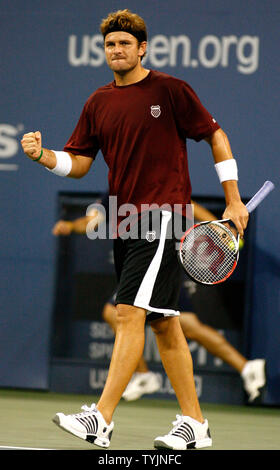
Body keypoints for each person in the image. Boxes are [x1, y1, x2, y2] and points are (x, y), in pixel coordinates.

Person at [21, 9, 249, 450]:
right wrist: (44, 156)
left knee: (129, 314)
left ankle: (100, 419)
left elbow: (215, 136)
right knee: (164, 324)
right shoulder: (98, 102)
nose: (116, 50)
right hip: (126, 221)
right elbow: (80, 162)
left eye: (125, 43)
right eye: (110, 44)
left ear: (142, 48)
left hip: (165, 216)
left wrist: (234, 197)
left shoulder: (170, 90)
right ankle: (196, 425)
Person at [53, 196, 266, 404]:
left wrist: (219, 227)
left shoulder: (150, 181)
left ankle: (143, 376)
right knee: (187, 325)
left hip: (156, 258)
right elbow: (92, 221)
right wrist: (71, 226)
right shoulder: (113, 193)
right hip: (149, 261)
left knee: (114, 312)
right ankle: (246, 367)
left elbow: (188, 205)